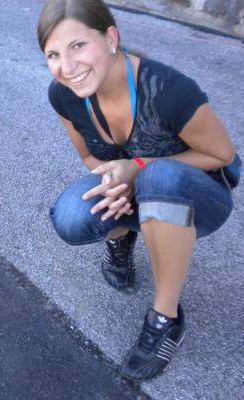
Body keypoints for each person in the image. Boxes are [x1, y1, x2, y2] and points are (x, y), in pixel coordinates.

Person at [37, 0, 236, 382]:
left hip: (197, 195)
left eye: (78, 46)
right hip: (137, 188)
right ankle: (121, 236)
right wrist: (115, 180)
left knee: (158, 178)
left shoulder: (169, 90)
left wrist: (138, 167)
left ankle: (166, 318)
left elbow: (221, 154)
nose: (67, 66)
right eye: (53, 54)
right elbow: (91, 161)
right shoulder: (63, 94)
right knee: (71, 216)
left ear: (111, 38)